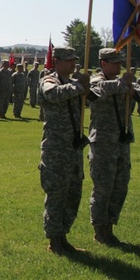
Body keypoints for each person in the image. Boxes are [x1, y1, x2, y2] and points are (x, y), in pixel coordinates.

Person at [86, 48, 140, 247]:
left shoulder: (125, 83)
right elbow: (96, 92)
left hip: (122, 141)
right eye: (114, 62)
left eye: (120, 62)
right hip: (103, 142)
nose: (119, 65)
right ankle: (100, 230)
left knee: (120, 186)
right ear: (103, 64)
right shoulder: (95, 81)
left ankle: (109, 227)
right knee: (103, 187)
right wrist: (122, 84)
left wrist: (132, 90)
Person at [38, 47, 90, 255]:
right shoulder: (49, 80)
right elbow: (53, 95)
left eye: (74, 60)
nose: (73, 64)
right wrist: (79, 86)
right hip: (56, 149)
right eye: (68, 61)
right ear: (56, 61)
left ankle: (62, 235)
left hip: (73, 148)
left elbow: (92, 96)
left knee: (72, 195)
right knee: (57, 195)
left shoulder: (72, 82)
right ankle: (55, 240)